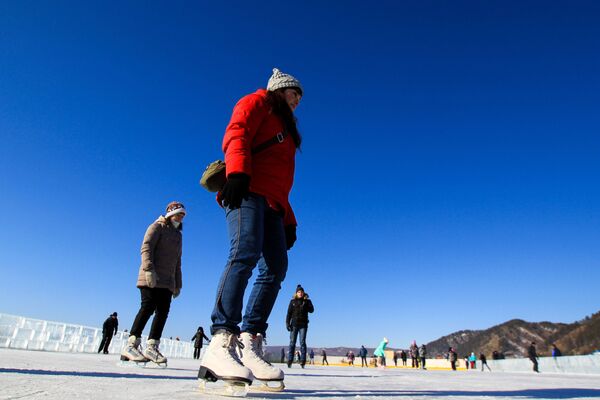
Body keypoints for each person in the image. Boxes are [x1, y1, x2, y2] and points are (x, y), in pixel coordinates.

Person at [198, 68, 304, 387]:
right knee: (244, 253)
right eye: (292, 92)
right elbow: (237, 132)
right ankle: (221, 339)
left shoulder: (287, 130)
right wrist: (239, 172)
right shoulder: (257, 102)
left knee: (275, 268)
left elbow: (280, 184)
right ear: (277, 90)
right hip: (245, 191)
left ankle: (249, 340)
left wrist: (289, 220)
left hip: (273, 204)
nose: (297, 99)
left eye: (299, 95)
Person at [120, 202, 185, 365]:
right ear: (170, 214)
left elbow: (177, 261)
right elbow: (146, 247)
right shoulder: (157, 227)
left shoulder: (178, 235)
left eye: (183, 215)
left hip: (167, 281)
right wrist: (149, 269)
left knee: (163, 312)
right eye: (179, 214)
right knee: (147, 307)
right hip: (151, 276)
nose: (181, 217)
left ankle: (152, 347)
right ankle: (131, 345)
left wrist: (178, 283)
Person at [286, 284, 314, 368]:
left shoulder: (307, 301)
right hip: (294, 324)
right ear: (296, 293)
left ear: (303, 293)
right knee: (292, 342)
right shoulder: (292, 301)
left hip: (303, 325)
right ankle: (290, 360)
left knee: (302, 342)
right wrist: (287, 323)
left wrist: (307, 303)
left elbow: (312, 310)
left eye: (301, 292)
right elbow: (289, 314)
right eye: (298, 292)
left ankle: (302, 361)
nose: (300, 293)